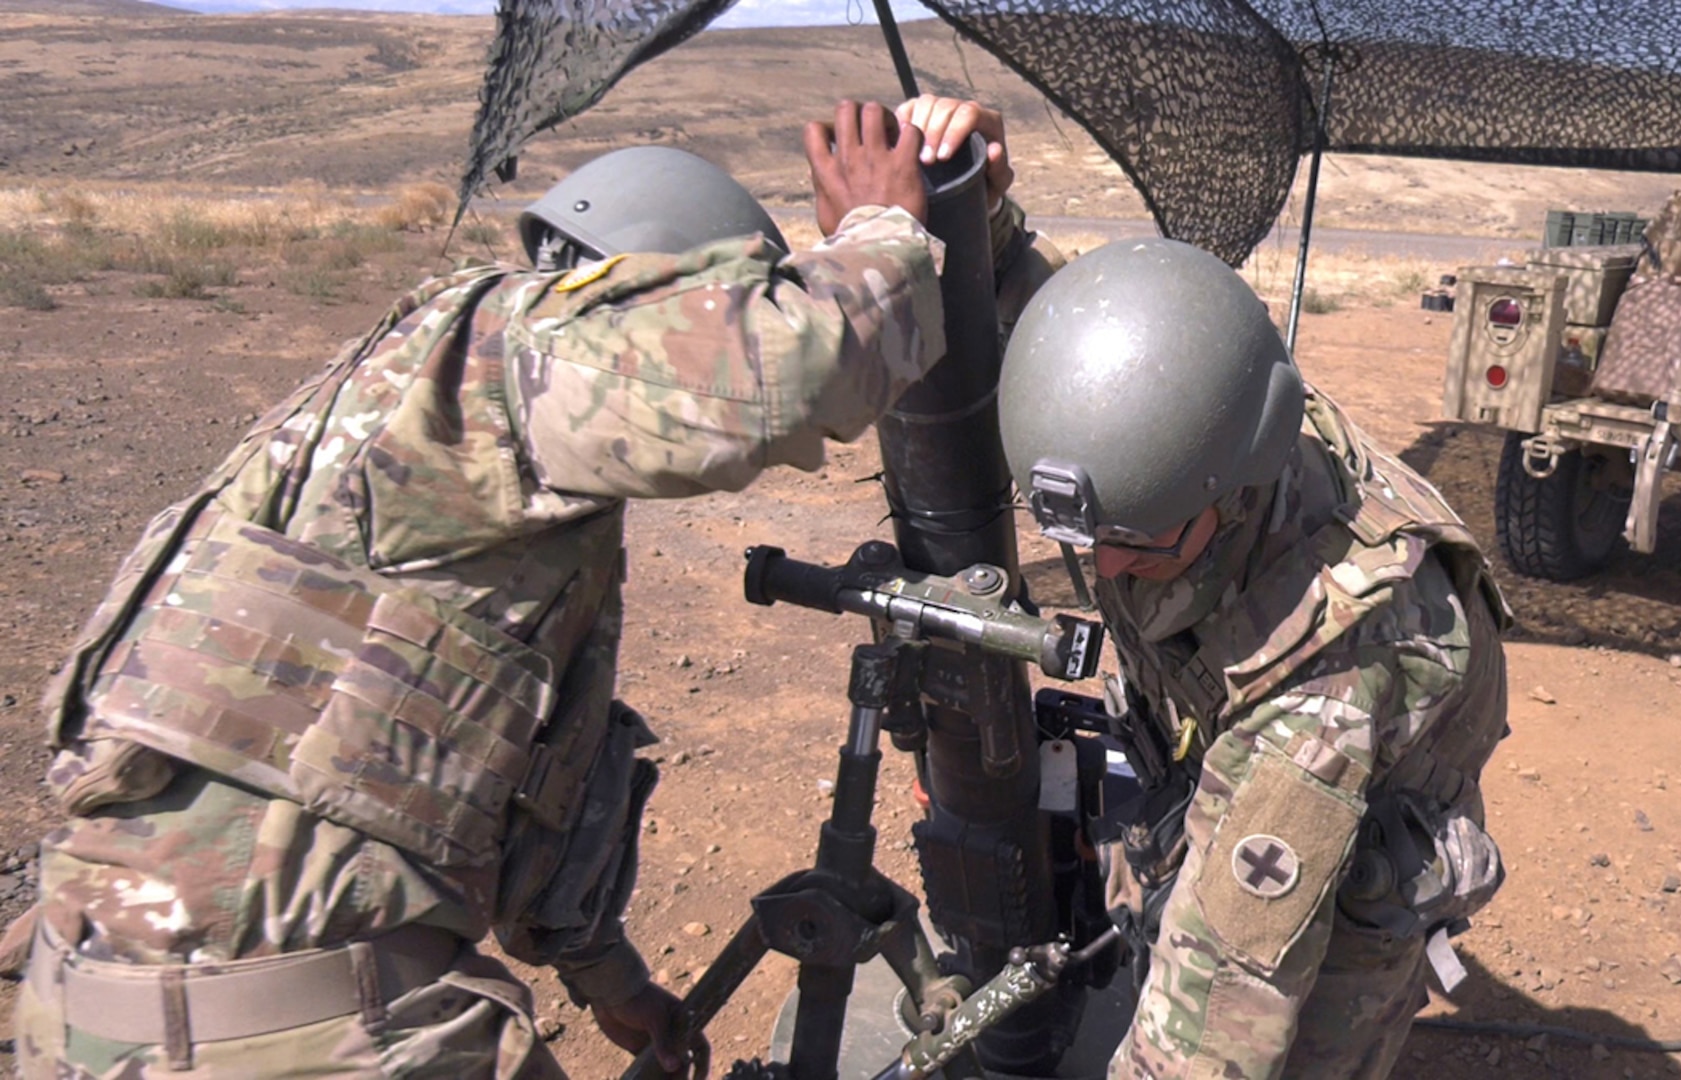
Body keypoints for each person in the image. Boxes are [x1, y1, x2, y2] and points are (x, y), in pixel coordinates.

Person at [12, 97, 1021, 1079]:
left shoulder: (440, 463)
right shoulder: (501, 342)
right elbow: (802, 372)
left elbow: (511, 780)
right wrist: (884, 227)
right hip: (304, 1032)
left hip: (102, 1009)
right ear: (630, 290)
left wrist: (610, 981)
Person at [997, 238, 1511, 1079]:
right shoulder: (1206, 394)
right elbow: (1089, 342)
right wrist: (987, 226)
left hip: (1355, 851)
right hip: (1227, 752)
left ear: (1233, 490)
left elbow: (1213, 1021)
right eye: (1090, 536)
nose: (1108, 565)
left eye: (1139, 539)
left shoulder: (1319, 679)